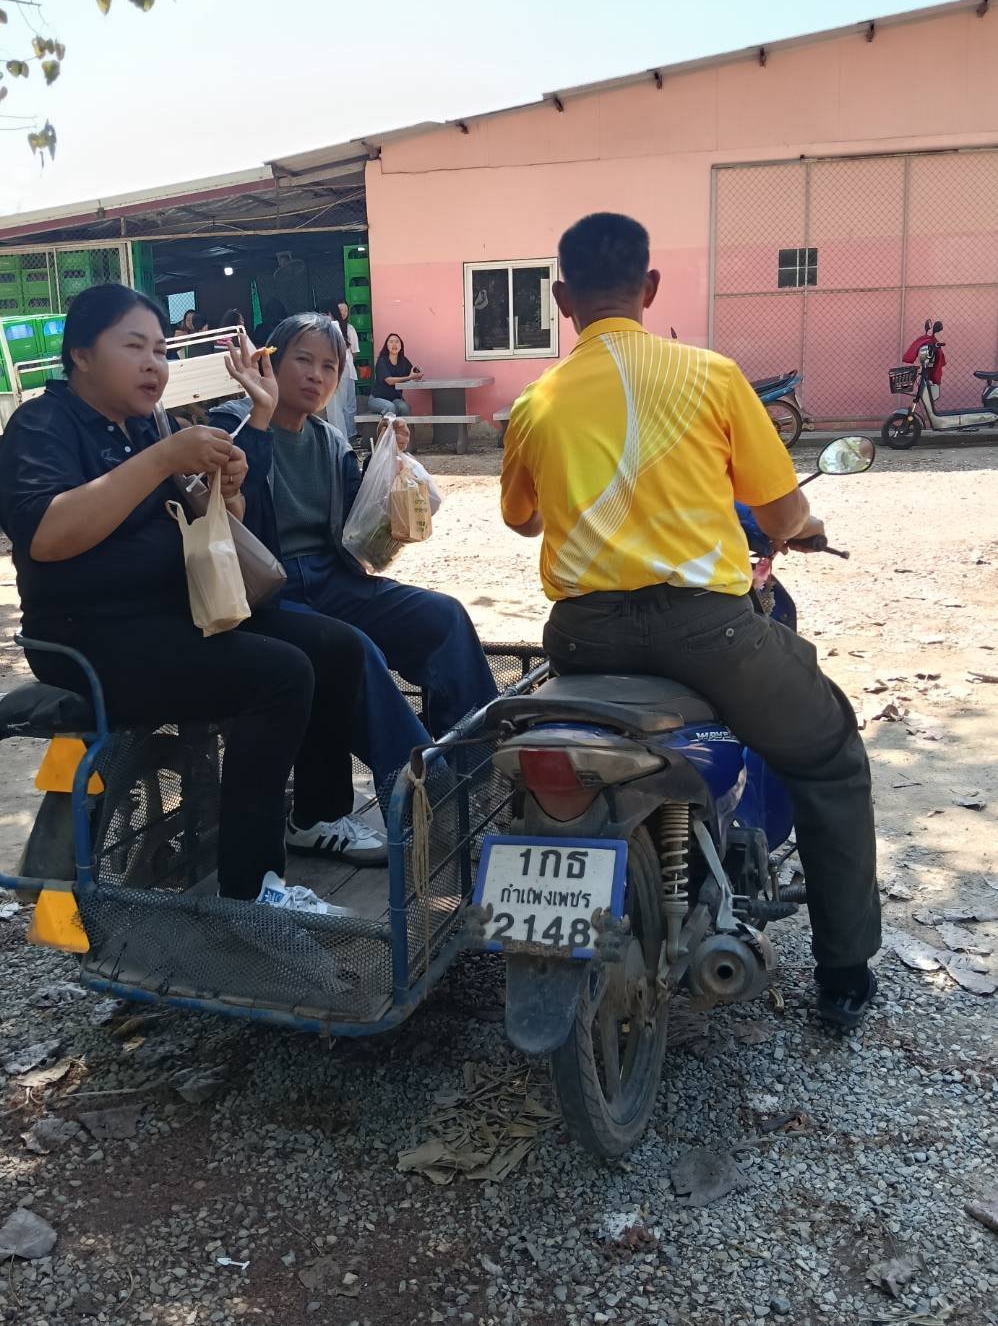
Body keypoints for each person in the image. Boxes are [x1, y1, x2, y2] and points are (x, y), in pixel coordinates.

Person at [500, 212, 880, 1031]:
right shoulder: (710, 375)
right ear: (650, 287)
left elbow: (522, 520)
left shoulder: (536, 402)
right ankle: (844, 972)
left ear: (561, 298)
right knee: (829, 754)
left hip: (584, 634)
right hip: (708, 633)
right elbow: (780, 512)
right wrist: (800, 526)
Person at [0, 284, 387, 913]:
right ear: (81, 355)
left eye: (160, 350)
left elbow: (216, 528)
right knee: (280, 674)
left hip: (175, 615)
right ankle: (251, 889)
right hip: (89, 636)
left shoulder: (150, 426)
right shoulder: (42, 426)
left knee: (333, 646)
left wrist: (227, 491)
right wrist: (160, 460)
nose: (153, 364)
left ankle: (316, 815)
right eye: (134, 347)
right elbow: (47, 535)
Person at [210, 314, 499, 799]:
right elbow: (233, 507)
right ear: (270, 362)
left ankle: (478, 774)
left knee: (444, 617)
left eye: (330, 366)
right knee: (356, 649)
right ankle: (423, 793)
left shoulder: (330, 440)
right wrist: (259, 418)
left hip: (332, 579)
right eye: (303, 360)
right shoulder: (231, 424)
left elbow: (361, 532)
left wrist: (386, 465)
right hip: (263, 592)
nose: (316, 376)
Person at [326, 299, 359, 441]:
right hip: (338, 371)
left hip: (346, 370)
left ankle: (350, 435)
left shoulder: (349, 329)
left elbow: (354, 352)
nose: (344, 313)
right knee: (339, 405)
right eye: (340, 310)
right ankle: (343, 437)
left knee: (348, 404)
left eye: (346, 310)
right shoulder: (331, 327)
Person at [367, 332, 420, 418]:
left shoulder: (403, 361)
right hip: (376, 399)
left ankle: (406, 427)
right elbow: (389, 381)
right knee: (390, 407)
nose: (394, 344)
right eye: (391, 342)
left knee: (405, 408)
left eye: (397, 342)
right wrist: (409, 377)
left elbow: (412, 373)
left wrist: (417, 375)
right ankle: (388, 427)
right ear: (387, 346)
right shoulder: (382, 361)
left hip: (394, 399)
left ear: (401, 345)